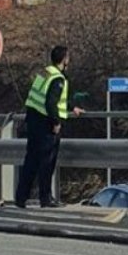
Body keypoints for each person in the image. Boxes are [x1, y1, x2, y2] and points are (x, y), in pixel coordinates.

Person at [15, 45, 84, 209]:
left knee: (31, 161)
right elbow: (51, 103)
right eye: (68, 58)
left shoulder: (45, 73)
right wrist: (56, 123)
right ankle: (46, 199)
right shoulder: (58, 79)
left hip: (33, 120)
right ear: (64, 59)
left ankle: (21, 197)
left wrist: (71, 106)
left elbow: (46, 97)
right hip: (46, 124)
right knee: (47, 162)